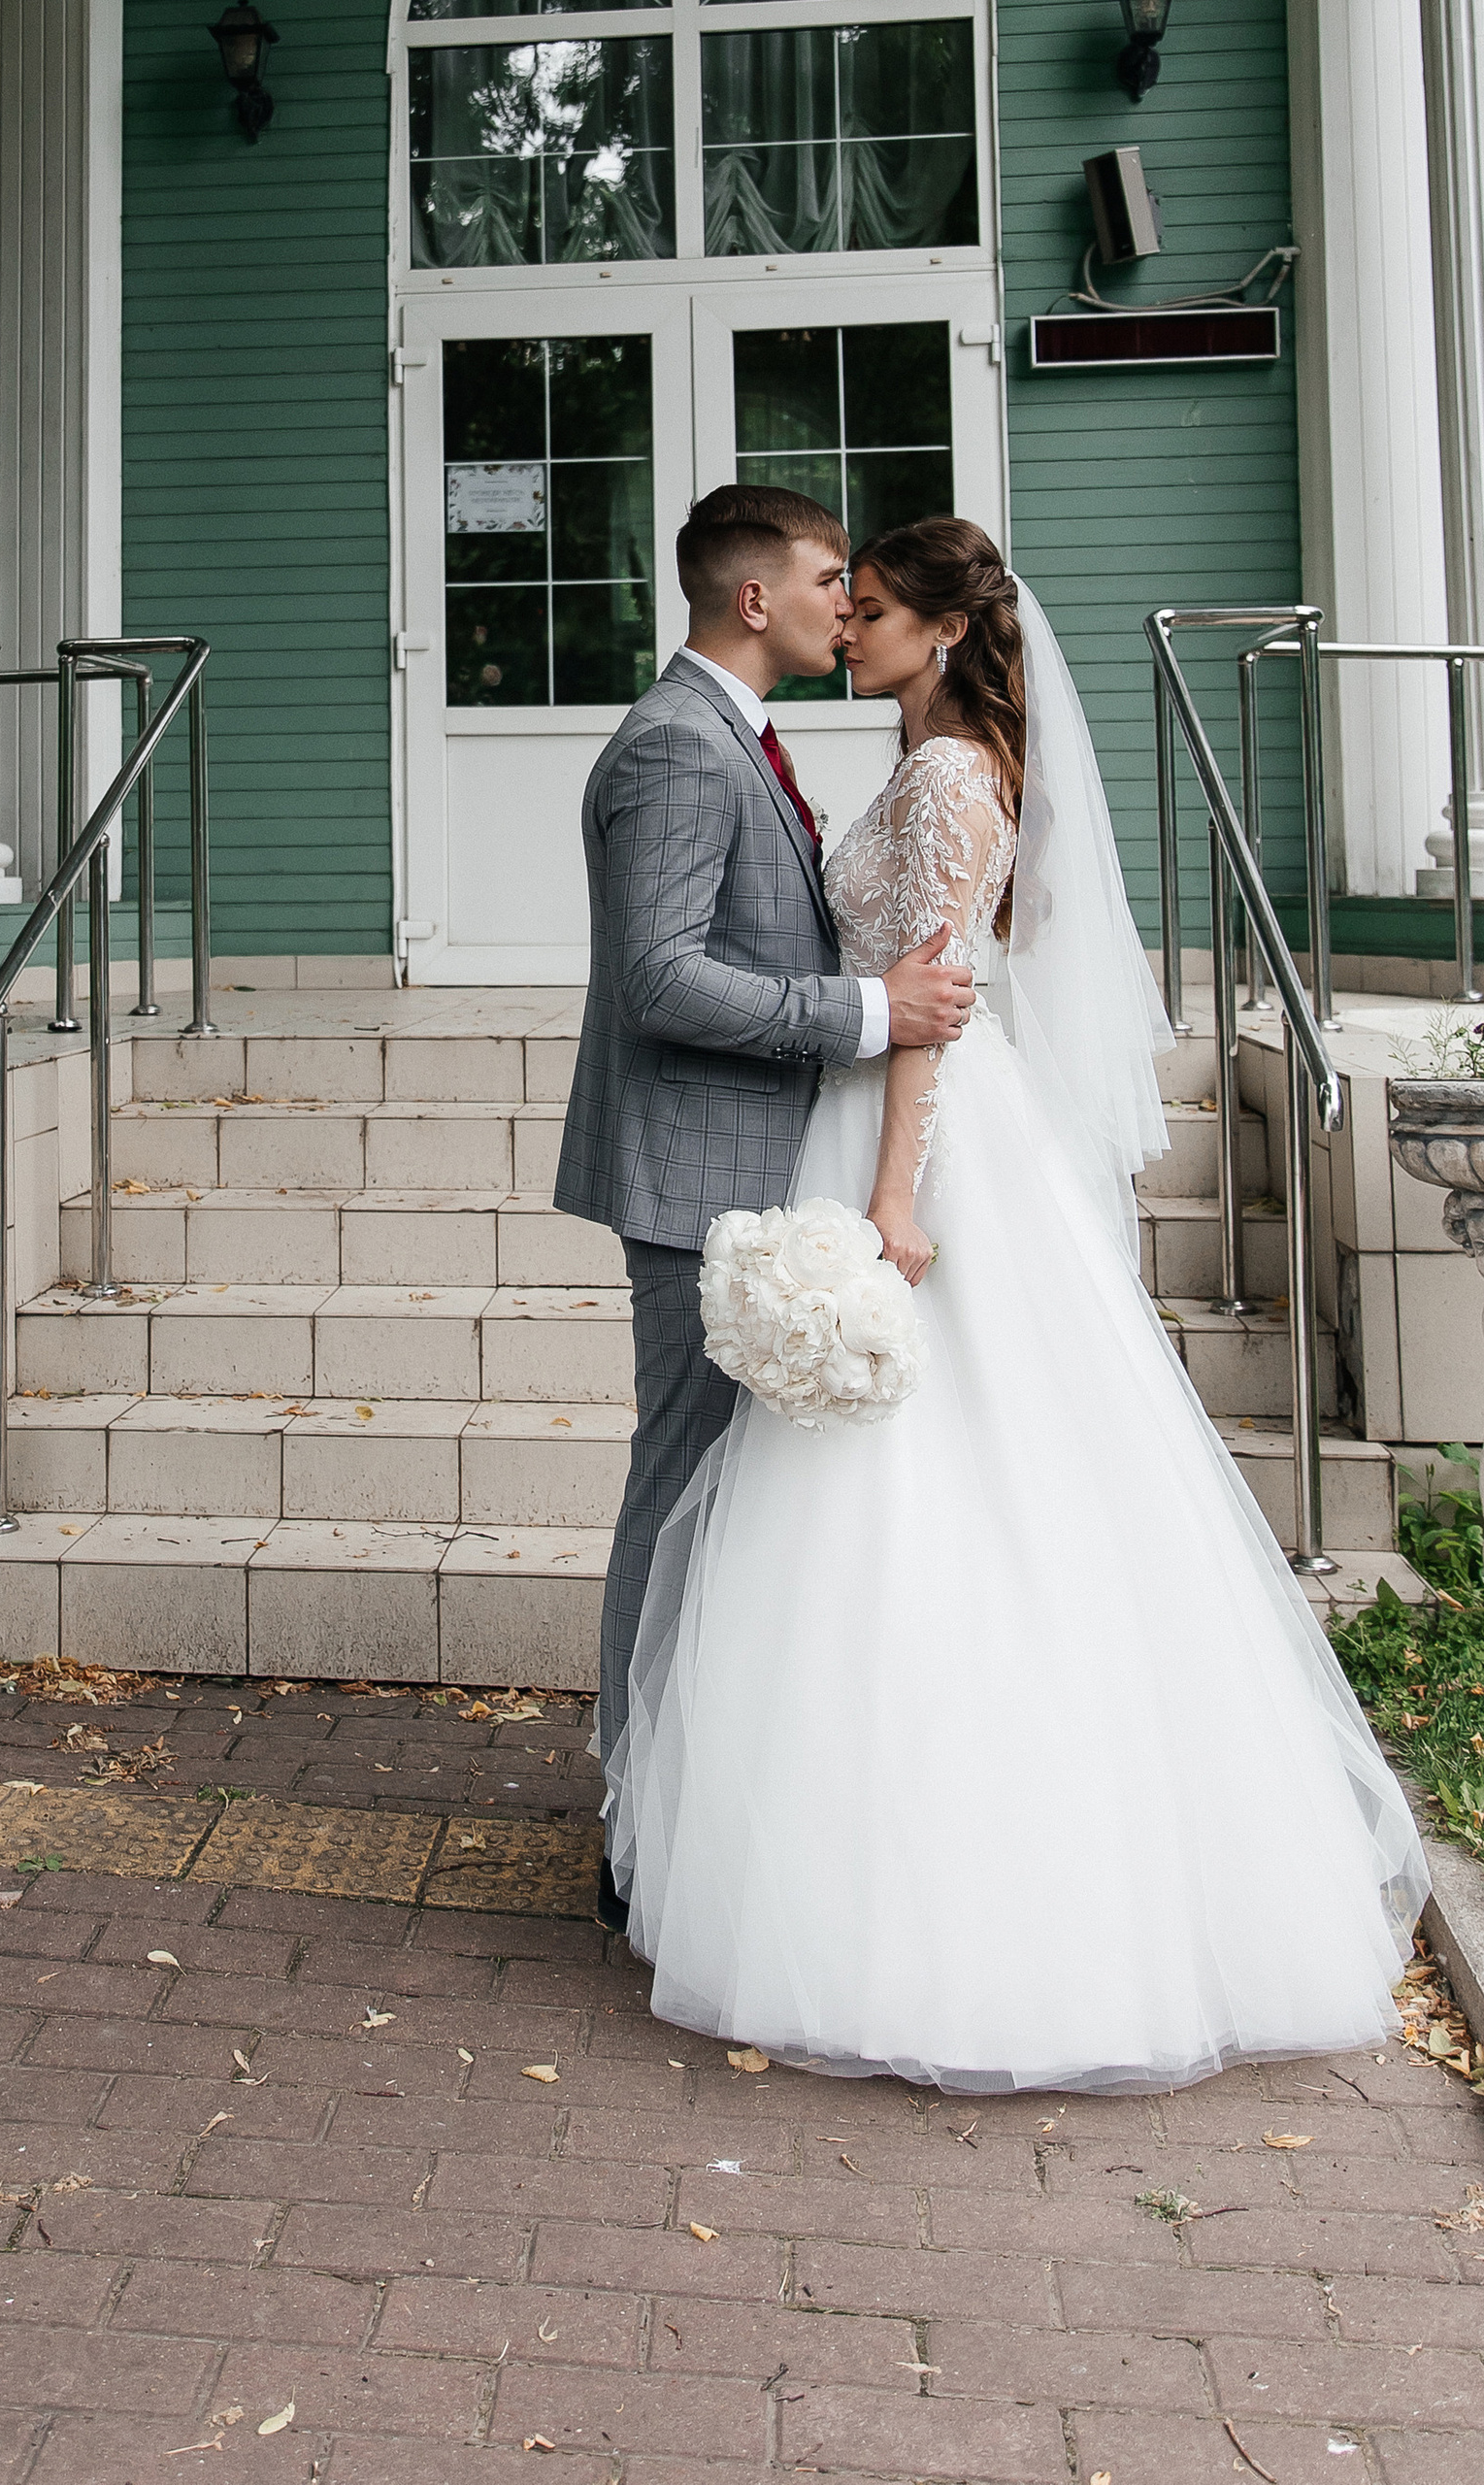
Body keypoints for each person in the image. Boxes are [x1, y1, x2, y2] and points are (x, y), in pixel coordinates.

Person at [604, 514, 1426, 2091]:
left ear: (947, 635)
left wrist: (897, 1191)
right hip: (880, 1111)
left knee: (932, 1488)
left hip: (922, 1142)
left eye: (880, 605)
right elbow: (974, 948)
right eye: (842, 596)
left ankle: (926, 1869)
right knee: (895, 1486)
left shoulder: (950, 775)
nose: (852, 622)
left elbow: (936, 1002)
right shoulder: (929, 766)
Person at [556, 482, 977, 1932]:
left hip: (757, 1169)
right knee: (679, 1494)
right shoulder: (676, 749)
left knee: (736, 1508)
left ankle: (704, 1801)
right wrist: (870, 1008)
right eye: (822, 581)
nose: (841, 604)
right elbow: (664, 979)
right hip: (694, 1178)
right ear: (754, 598)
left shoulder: (736, 734)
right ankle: (633, 1827)